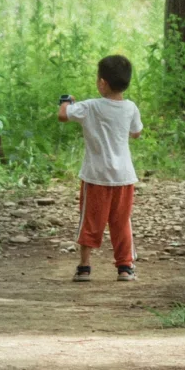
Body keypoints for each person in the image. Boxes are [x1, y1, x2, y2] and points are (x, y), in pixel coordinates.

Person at [58, 54, 143, 283]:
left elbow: (63, 115)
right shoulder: (130, 108)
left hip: (96, 177)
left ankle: (84, 267)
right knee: (121, 221)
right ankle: (125, 267)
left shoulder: (89, 107)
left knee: (90, 220)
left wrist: (66, 101)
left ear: (102, 83)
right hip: (124, 178)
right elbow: (136, 132)